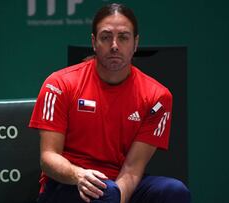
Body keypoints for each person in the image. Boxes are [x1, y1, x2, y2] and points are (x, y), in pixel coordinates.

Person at [29, 3, 191, 203]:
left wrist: (116, 198)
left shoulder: (157, 97)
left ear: (135, 43)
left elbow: (132, 170)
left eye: (123, 37)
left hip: (117, 184)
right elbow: (48, 158)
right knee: (106, 192)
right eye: (106, 37)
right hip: (68, 185)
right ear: (94, 42)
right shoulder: (59, 84)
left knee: (174, 191)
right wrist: (79, 175)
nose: (114, 45)